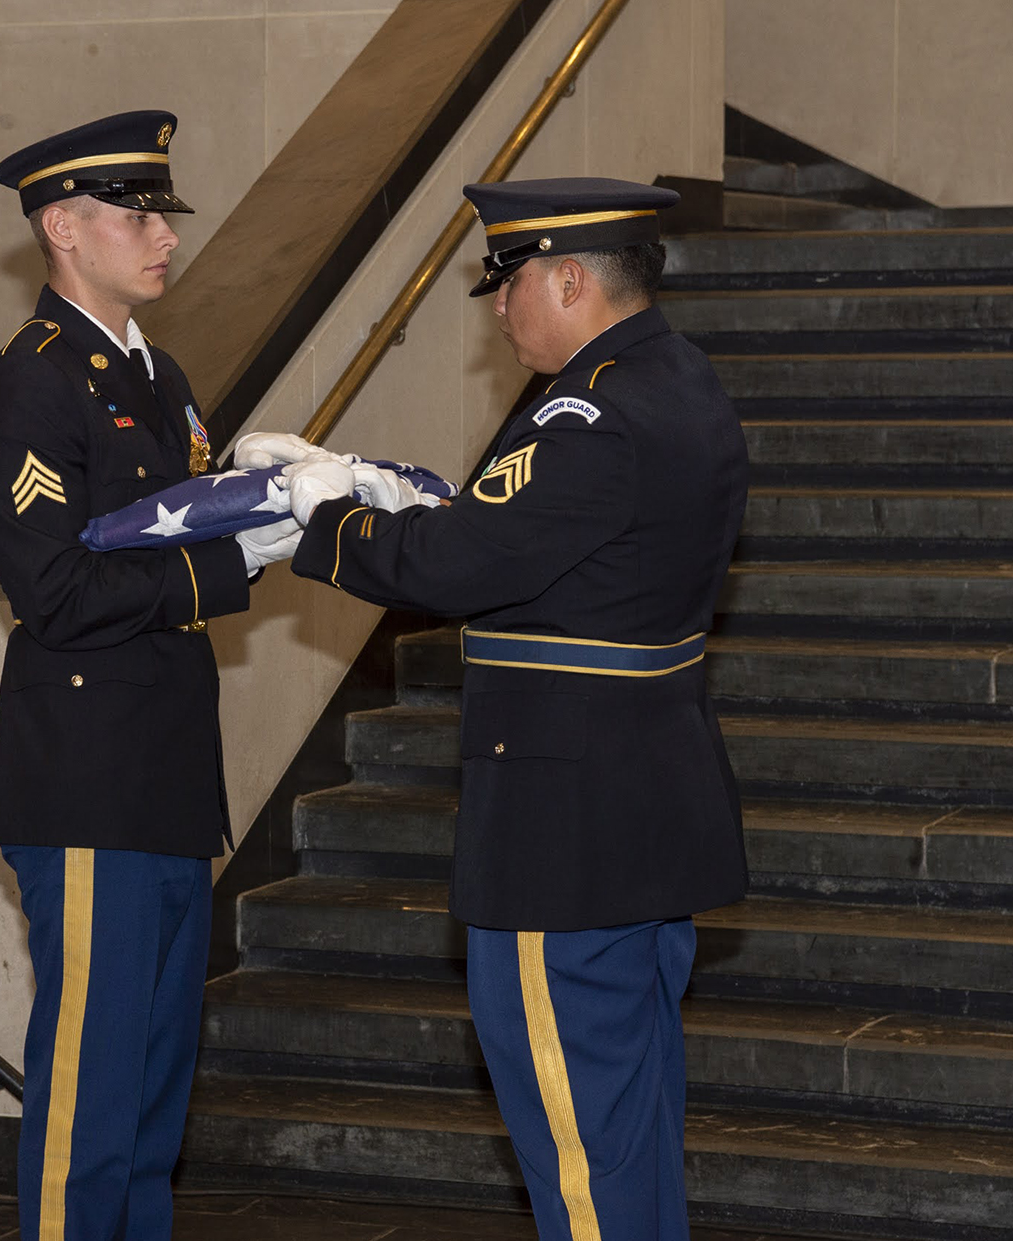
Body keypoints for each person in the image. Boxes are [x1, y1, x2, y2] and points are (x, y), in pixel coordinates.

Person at [280, 177, 750, 1239]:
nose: (498, 307)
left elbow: (455, 565)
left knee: (581, 1154)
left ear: (573, 279)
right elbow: (543, 540)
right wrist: (423, 504)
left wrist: (333, 513)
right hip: (643, 812)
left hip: (564, 834)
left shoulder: (590, 411)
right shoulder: (677, 380)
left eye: (510, 282)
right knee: (630, 1137)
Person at [0, 110, 302, 1241]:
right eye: (136, 213)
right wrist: (223, 562)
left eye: (164, 213)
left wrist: (256, 498)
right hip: (91, 775)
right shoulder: (36, 383)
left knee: (155, 1088)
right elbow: (54, 592)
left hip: (161, 772)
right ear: (64, 225)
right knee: (93, 1087)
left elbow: (157, 526)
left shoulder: (160, 376)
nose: (163, 235)